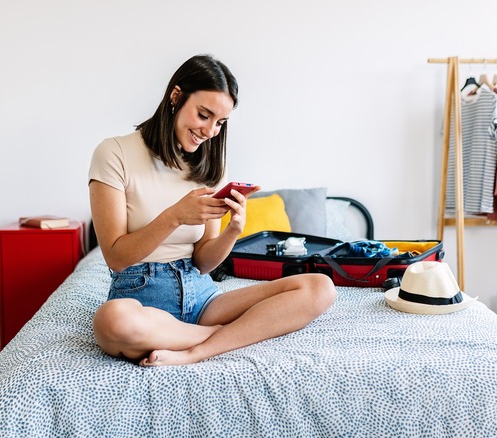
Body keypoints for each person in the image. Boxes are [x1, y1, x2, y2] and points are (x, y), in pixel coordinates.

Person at [88, 54, 336, 366]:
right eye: (204, 115)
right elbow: (115, 256)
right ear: (176, 97)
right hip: (140, 296)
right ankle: (230, 334)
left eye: (220, 122)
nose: (210, 131)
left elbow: (204, 263)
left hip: (201, 297)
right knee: (112, 320)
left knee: (319, 286)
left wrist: (232, 231)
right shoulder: (114, 153)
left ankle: (198, 349)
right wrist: (175, 215)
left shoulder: (209, 166)